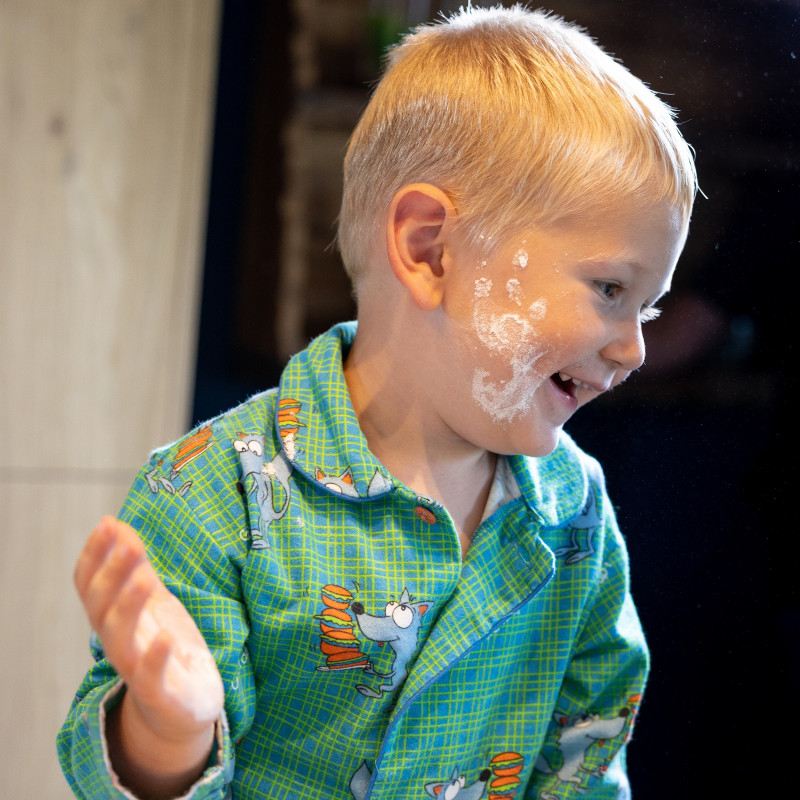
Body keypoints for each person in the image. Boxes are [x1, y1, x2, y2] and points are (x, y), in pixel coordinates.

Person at [58, 5, 696, 799]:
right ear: (430, 249)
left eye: (650, 309)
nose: (634, 347)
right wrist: (170, 729)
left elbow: (589, 758)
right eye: (610, 289)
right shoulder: (212, 500)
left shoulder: (575, 517)